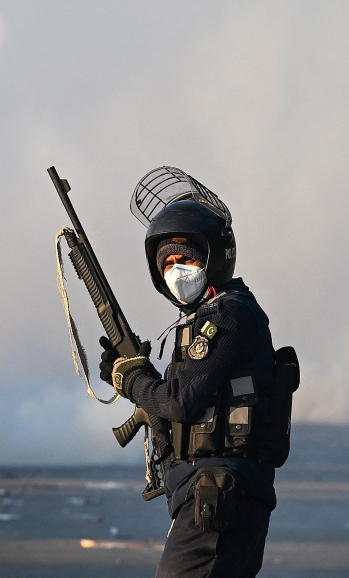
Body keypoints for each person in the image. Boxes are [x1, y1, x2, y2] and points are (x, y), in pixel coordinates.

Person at [98, 179, 289, 578]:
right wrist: (132, 373)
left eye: (185, 259)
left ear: (215, 257)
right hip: (208, 492)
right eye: (166, 264)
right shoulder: (205, 320)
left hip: (220, 492)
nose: (175, 271)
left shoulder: (230, 315)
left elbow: (181, 402)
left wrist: (133, 382)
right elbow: (181, 399)